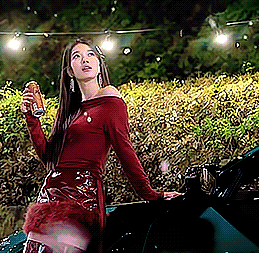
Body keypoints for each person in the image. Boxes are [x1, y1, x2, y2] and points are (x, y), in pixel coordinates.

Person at [20, 39, 182, 253]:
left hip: (81, 198)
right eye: (76, 56)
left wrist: (150, 194)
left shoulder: (110, 100)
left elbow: (124, 149)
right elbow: (49, 159)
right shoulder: (68, 111)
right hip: (49, 197)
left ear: (99, 64)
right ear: (70, 71)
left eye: (90, 55)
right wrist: (32, 120)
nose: (84, 60)